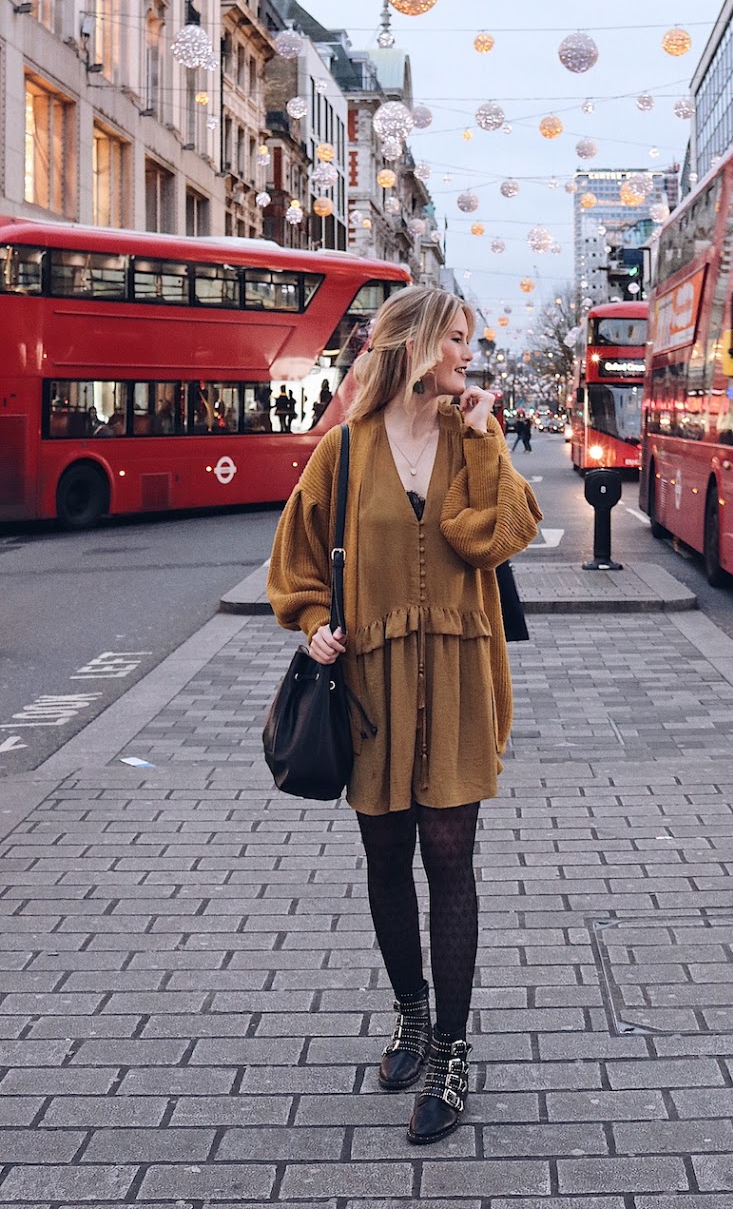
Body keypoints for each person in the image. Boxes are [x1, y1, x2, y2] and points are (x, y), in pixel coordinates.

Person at [267, 286, 541, 1146]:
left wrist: (485, 437)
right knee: (386, 854)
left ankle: (453, 1052)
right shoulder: (342, 454)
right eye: (457, 339)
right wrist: (313, 626)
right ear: (417, 347)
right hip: (373, 687)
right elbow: (297, 561)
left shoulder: (474, 438)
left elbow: (491, 536)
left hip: (459, 676)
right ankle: (412, 1017)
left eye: (470, 337)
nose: (468, 353)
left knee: (450, 859)